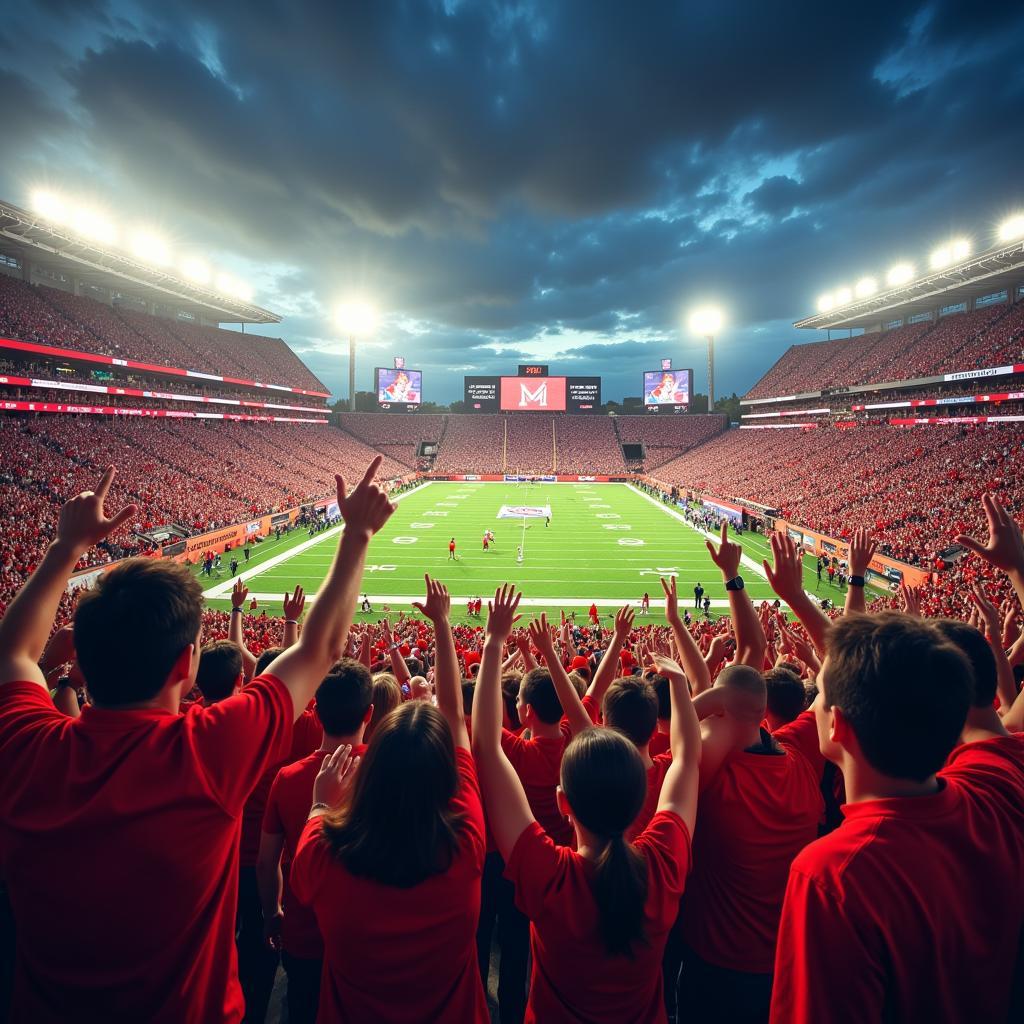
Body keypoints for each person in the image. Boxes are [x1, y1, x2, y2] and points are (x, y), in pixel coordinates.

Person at [0, 459, 395, 1022]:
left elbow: (14, 652)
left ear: (81, 661)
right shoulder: (207, 750)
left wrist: (65, 551)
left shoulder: (27, 749)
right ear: (186, 665)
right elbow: (322, 649)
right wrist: (358, 534)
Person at [473, 584, 701, 1023]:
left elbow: (485, 749)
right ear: (639, 798)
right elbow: (688, 758)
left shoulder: (550, 873)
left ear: (564, 804)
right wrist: (678, 680)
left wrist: (493, 642)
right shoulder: (662, 863)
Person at [290, 575, 488, 1022]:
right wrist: (443, 624)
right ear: (443, 773)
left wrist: (322, 803)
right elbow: (457, 720)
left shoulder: (324, 851)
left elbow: (299, 882)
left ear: (373, 763)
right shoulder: (467, 839)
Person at [257, 659, 374, 1024]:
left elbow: (266, 862)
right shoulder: (386, 770)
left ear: (317, 712)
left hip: (304, 932)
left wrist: (271, 914)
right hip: (368, 937)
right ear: (369, 714)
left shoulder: (288, 778)